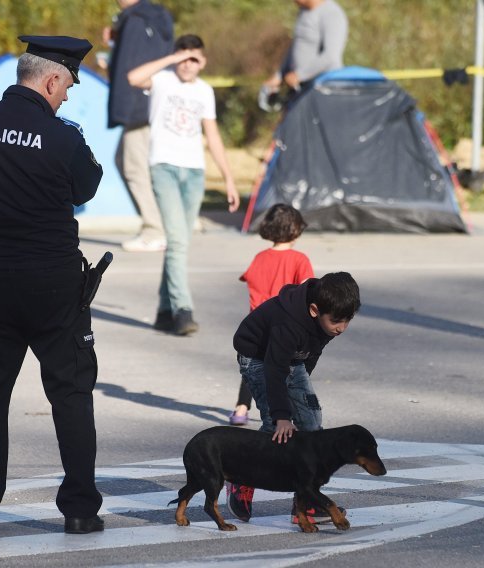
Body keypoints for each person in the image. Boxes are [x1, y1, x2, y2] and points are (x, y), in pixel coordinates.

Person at [0, 35, 105, 535]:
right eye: (66, 88)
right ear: (52, 78)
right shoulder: (63, 137)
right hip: (54, 287)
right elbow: (86, 188)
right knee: (71, 395)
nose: (65, 98)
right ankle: (79, 510)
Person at [126, 34, 240, 336]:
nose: (187, 64)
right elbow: (133, 78)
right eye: (183, 57)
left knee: (180, 242)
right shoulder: (162, 80)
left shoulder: (205, 90)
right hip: (164, 167)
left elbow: (212, 135)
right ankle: (183, 309)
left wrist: (228, 177)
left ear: (202, 61)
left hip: (194, 172)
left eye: (194, 59)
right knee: (176, 241)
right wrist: (171, 58)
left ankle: (164, 311)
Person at [227, 271, 360, 525]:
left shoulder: (326, 321)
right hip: (258, 358)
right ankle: (239, 478)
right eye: (337, 321)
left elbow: (312, 353)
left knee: (311, 425)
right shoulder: (287, 323)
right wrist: (282, 416)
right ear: (314, 310)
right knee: (274, 427)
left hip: (292, 360)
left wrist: (300, 391)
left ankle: (305, 504)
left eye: (348, 320)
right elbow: (274, 369)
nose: (342, 328)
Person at [229, 204, 313, 426]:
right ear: (295, 229)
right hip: (284, 324)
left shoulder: (260, 257)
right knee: (282, 369)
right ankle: (284, 415)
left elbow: (250, 279)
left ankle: (241, 408)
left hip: (256, 323)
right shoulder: (299, 259)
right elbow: (307, 290)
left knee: (254, 366)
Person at [105, 0, 174, 253]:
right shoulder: (157, 17)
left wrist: (124, 110)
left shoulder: (134, 21)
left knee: (133, 166)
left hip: (138, 106)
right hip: (153, 102)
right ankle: (160, 225)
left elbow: (130, 67)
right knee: (129, 162)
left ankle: (154, 230)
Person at [263, 0, 348, 100]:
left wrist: (300, 75)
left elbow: (331, 56)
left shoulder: (332, 14)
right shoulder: (304, 11)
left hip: (324, 90)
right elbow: (295, 46)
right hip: (301, 90)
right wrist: (279, 76)